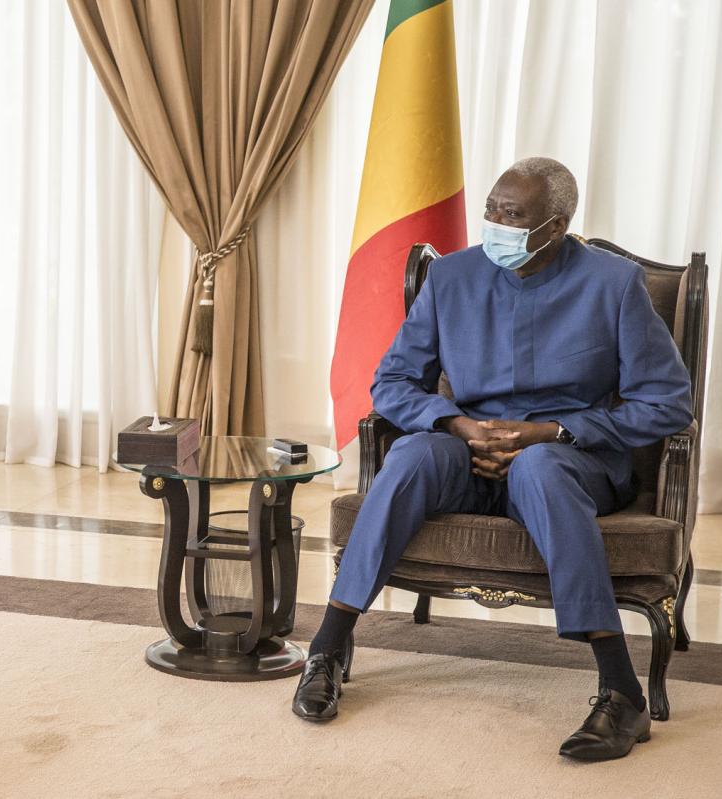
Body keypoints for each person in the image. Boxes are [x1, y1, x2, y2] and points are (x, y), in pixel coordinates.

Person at [293, 157, 692, 762]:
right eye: (491, 209)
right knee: (413, 456)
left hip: (570, 460)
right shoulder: (450, 277)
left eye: (513, 214)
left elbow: (666, 403)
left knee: (539, 467)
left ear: (555, 227)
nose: (495, 223)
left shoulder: (614, 285)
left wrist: (552, 432)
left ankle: (621, 691)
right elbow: (393, 382)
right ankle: (326, 648)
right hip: (467, 451)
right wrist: (457, 424)